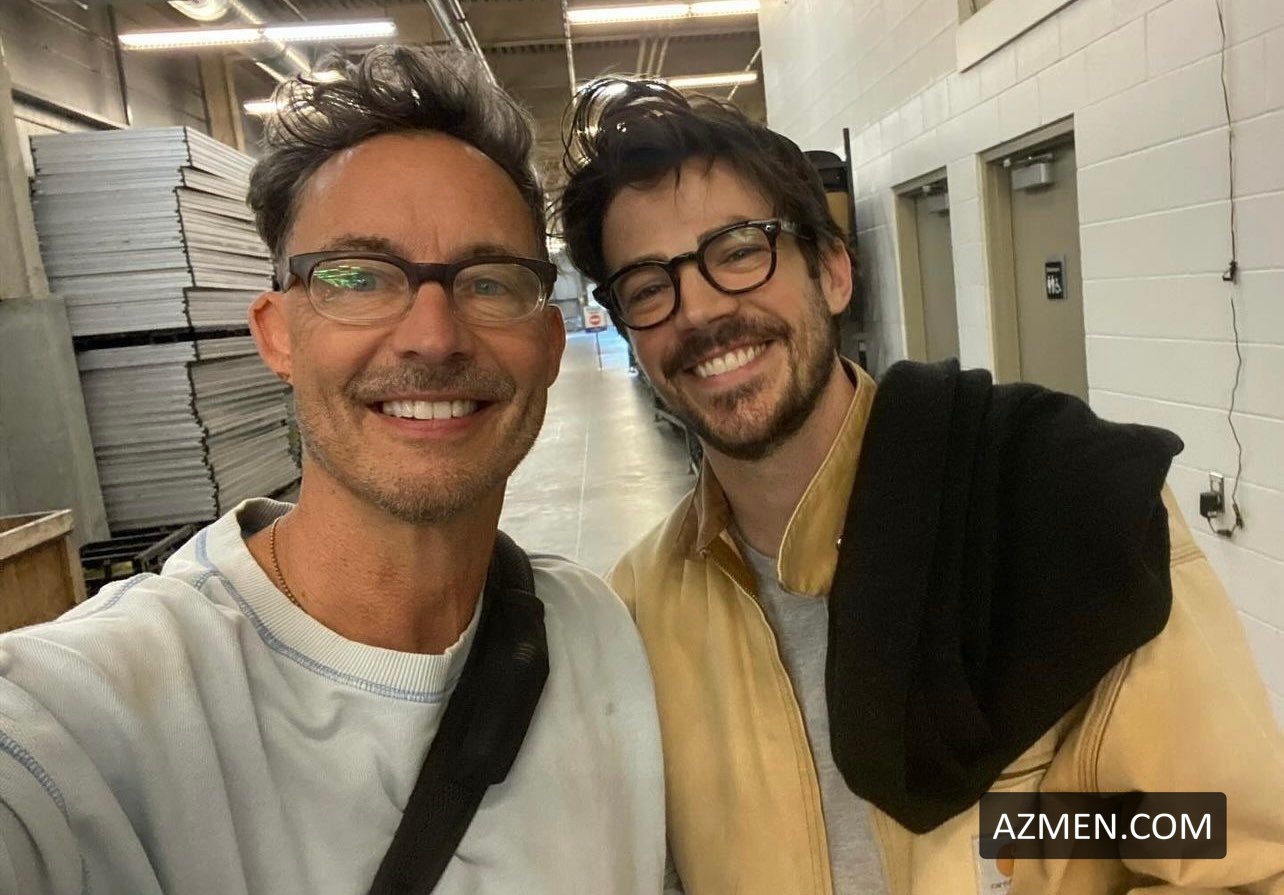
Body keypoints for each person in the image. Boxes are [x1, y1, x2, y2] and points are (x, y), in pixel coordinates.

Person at [558, 78, 1284, 894]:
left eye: (737, 251)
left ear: (834, 272)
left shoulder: (1063, 513)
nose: (695, 310)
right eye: (648, 288)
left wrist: (1040, 832)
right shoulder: (640, 614)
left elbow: (1235, 855)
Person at [0, 47, 665, 894]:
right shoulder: (85, 718)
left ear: (547, 344)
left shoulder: (597, 634)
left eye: (490, 283)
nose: (433, 337)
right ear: (276, 332)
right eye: (357, 277)